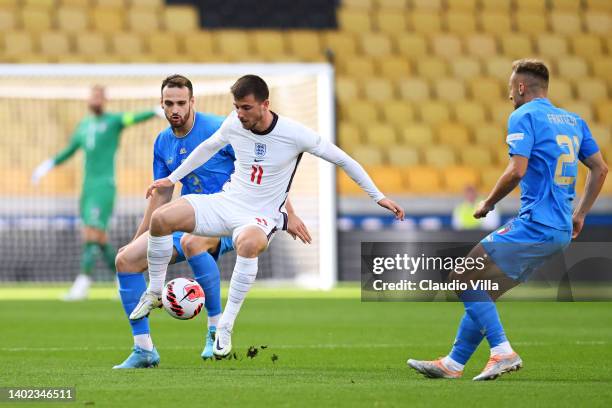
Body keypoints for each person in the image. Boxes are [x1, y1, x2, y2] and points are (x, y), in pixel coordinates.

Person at [129, 74, 404, 359]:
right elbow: (207, 148)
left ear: (265, 104)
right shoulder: (234, 122)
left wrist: (378, 196)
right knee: (161, 218)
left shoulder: (294, 134)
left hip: (261, 215)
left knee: (248, 244)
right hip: (228, 201)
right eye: (236, 107)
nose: (239, 114)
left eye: (246, 107)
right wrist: (171, 179)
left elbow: (343, 159)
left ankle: (225, 325)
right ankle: (155, 292)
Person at [407, 59, 608, 381]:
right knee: (483, 290)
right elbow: (601, 168)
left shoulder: (524, 116)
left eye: (510, 90)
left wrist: (487, 203)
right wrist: (580, 213)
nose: (509, 97)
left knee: (461, 276)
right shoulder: (573, 121)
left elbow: (517, 170)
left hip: (535, 224)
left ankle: (502, 351)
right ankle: (453, 364)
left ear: (521, 87)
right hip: (558, 230)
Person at [113, 74, 310, 369]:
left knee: (194, 243)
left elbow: (265, 172)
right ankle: (144, 350)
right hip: (193, 216)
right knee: (125, 260)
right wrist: (138, 237)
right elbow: (161, 195)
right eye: (169, 103)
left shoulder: (223, 127)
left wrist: (289, 213)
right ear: (162, 105)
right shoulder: (163, 142)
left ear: (193, 102)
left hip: (235, 218)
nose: (175, 109)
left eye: (181, 102)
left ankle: (215, 330)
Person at [31, 85, 160, 301]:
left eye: (99, 96)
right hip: (87, 187)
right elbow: (70, 150)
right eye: (93, 95)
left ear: (105, 100)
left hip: (103, 186)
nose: (96, 99)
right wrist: (48, 165)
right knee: (96, 236)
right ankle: (124, 279)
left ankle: (83, 283)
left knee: (93, 233)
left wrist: (155, 111)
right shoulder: (84, 125)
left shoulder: (114, 121)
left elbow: (133, 118)